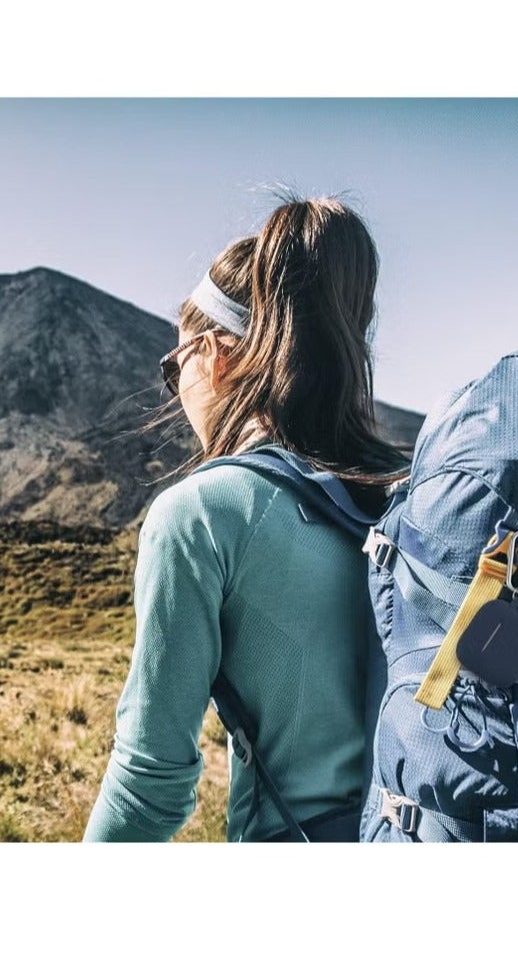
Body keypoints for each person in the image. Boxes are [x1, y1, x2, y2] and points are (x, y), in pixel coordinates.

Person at [83, 197, 409, 842]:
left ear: (217, 355)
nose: (177, 392)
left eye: (174, 367)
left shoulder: (202, 514)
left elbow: (150, 781)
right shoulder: (411, 494)